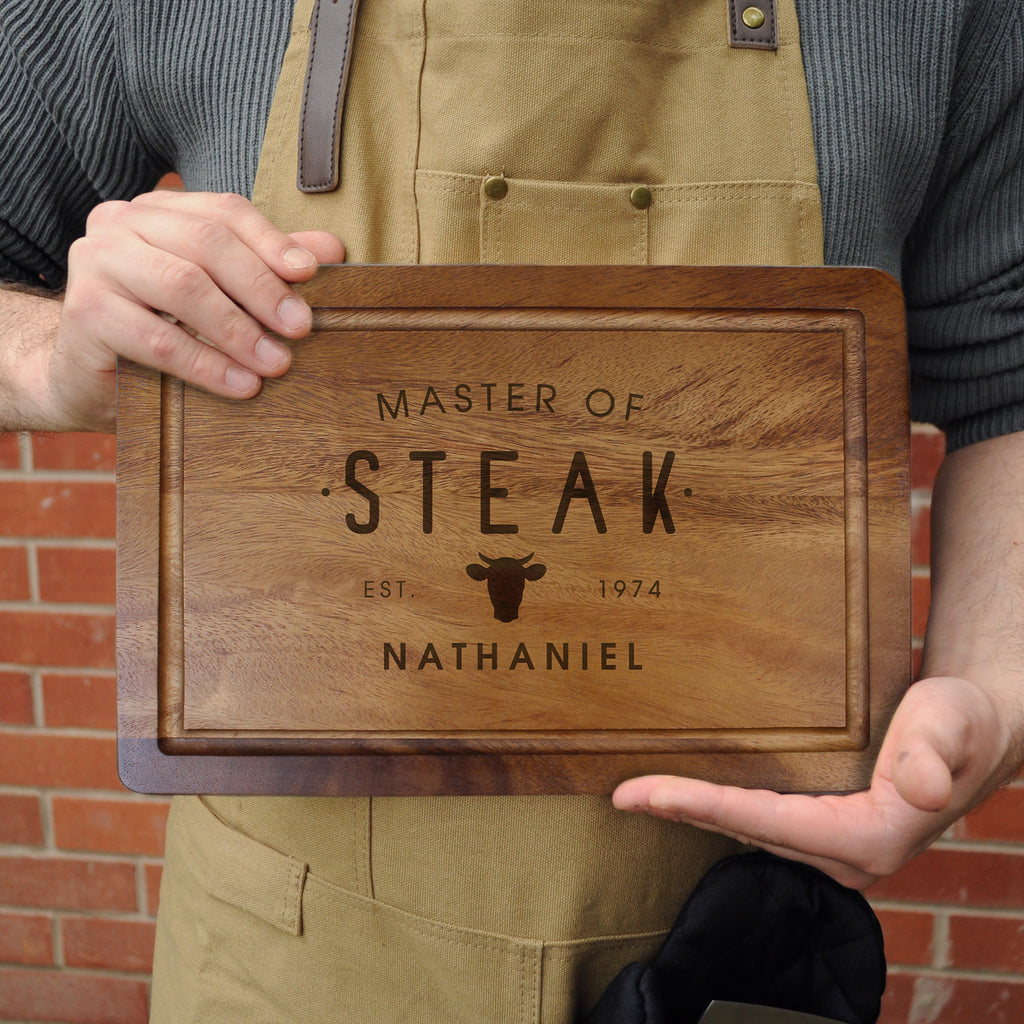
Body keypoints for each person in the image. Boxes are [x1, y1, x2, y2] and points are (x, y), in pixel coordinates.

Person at [1, 0, 1022, 1020]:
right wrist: (51, 360)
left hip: (734, 960)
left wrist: (994, 689)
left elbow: (1007, 374)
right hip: (284, 956)